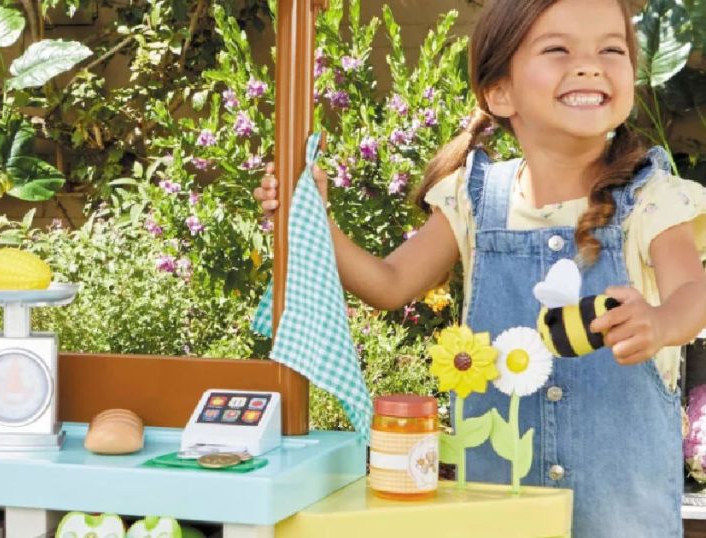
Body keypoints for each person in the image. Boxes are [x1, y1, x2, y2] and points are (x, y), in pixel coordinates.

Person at [254, 0, 706, 535]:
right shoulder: (475, 199)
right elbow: (389, 284)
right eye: (558, 49)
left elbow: (693, 294)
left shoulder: (651, 198)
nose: (590, 65)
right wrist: (314, 217)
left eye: (611, 49)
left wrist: (659, 322)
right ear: (500, 92)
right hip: (497, 520)